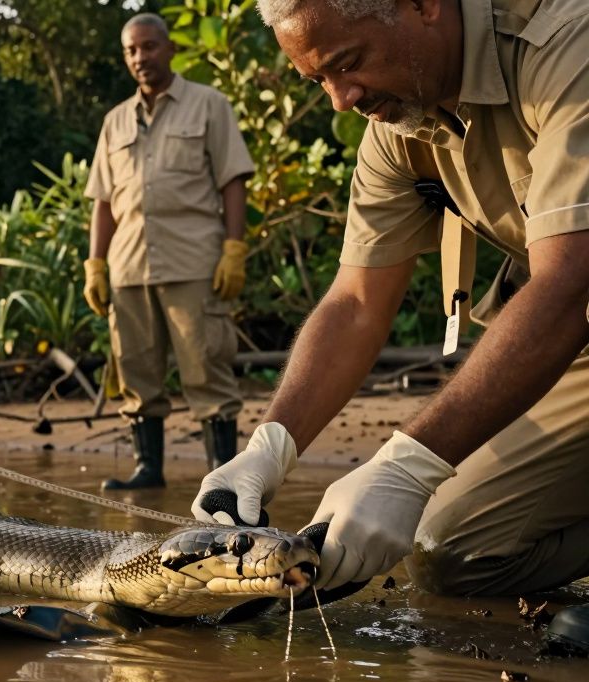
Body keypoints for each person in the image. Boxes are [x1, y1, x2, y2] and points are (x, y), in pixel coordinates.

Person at [191, 0, 589, 642]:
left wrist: (409, 462)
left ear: (424, 6)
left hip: (575, 300)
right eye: (317, 80)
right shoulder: (403, 122)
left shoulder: (567, 45)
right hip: (576, 329)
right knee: (453, 546)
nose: (339, 100)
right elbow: (355, 301)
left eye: (347, 64)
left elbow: (569, 282)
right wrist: (268, 448)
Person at [84, 13, 255, 491]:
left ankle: (223, 477)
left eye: (150, 47)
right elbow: (102, 201)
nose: (141, 57)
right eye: (132, 51)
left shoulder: (208, 105)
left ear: (170, 48)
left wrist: (233, 249)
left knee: (206, 369)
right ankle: (148, 469)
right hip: (128, 267)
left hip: (194, 261)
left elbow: (233, 180)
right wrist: (94, 264)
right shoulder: (114, 121)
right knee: (136, 371)